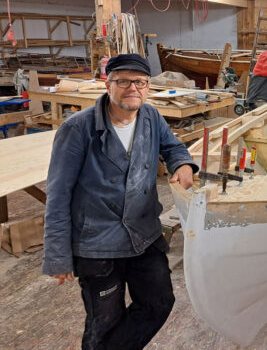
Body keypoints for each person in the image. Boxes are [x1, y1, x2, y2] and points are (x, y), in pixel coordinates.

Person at [42, 53, 198, 348]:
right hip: (98, 243)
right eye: (123, 81)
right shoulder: (77, 128)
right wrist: (57, 255)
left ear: (148, 86)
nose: (132, 88)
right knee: (103, 323)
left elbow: (173, 147)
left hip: (144, 234)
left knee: (158, 303)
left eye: (139, 81)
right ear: (108, 83)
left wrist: (183, 164)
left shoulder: (151, 117)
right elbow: (59, 194)